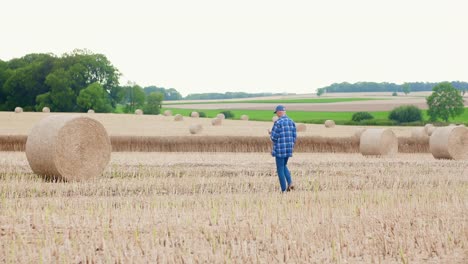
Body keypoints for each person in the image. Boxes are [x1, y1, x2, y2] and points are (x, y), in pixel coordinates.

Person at [268, 105, 297, 192]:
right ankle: (290, 182)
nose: (276, 114)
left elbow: (274, 137)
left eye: (276, 113)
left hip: (280, 149)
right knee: (284, 165)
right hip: (289, 148)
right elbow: (294, 136)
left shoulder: (278, 122)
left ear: (279, 112)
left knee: (280, 168)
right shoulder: (291, 121)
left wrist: (270, 133)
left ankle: (283, 190)